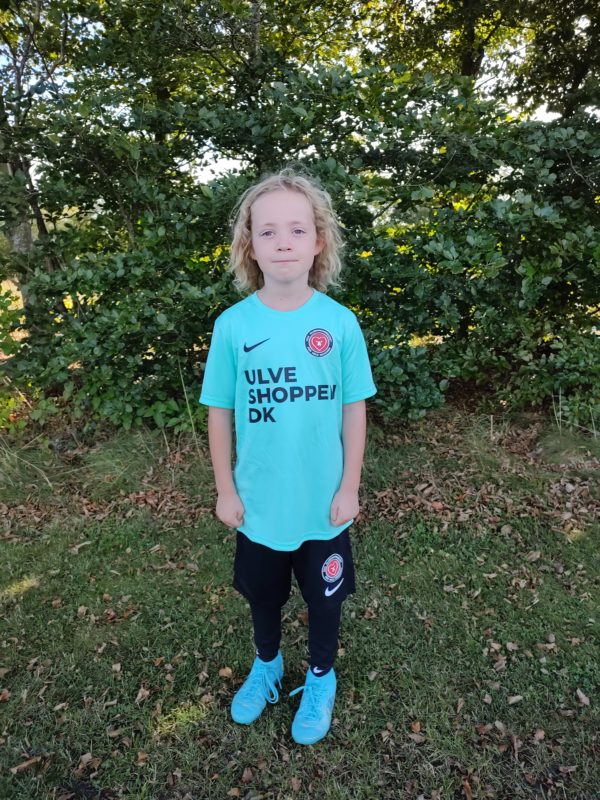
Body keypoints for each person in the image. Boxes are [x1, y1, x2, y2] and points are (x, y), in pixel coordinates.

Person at [199, 169, 376, 745]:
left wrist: (349, 485)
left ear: (318, 241)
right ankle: (268, 665)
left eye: (297, 230)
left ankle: (321, 676)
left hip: (323, 502)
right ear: (249, 244)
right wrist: (226, 489)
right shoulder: (233, 326)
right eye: (268, 231)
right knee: (264, 596)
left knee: (325, 600)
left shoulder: (339, 323)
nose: (283, 242)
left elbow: (354, 408)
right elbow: (219, 412)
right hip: (259, 501)